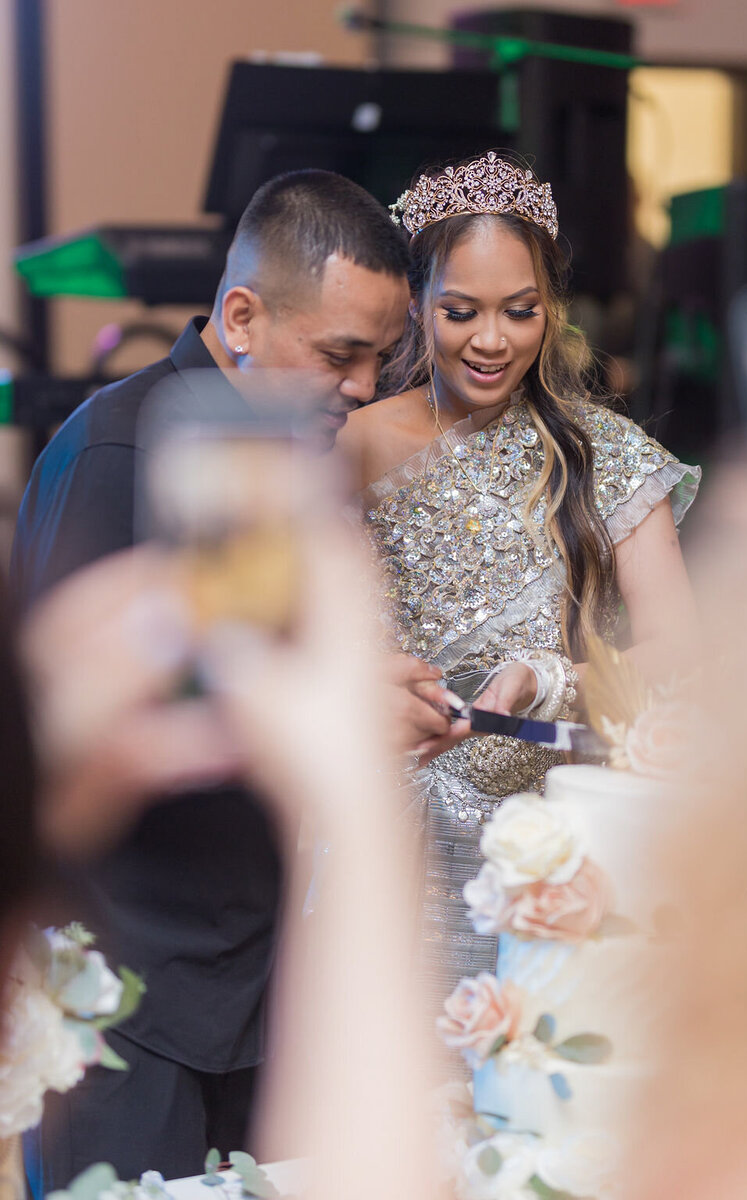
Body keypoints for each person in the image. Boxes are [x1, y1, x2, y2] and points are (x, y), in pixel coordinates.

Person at [10, 169, 454, 1193]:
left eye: (377, 361)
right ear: (242, 315)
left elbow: (236, 661)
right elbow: (81, 723)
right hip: (130, 981)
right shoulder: (124, 446)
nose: (357, 388)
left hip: (249, 970)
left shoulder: (273, 457)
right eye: (337, 355)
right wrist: (328, 722)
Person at [339, 150, 702, 999]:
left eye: (521, 311)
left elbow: (681, 651)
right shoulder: (346, 448)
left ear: (554, 311)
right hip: (373, 840)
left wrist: (549, 679)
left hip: (539, 851)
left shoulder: (603, 454)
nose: (492, 340)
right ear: (415, 304)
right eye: (461, 312)